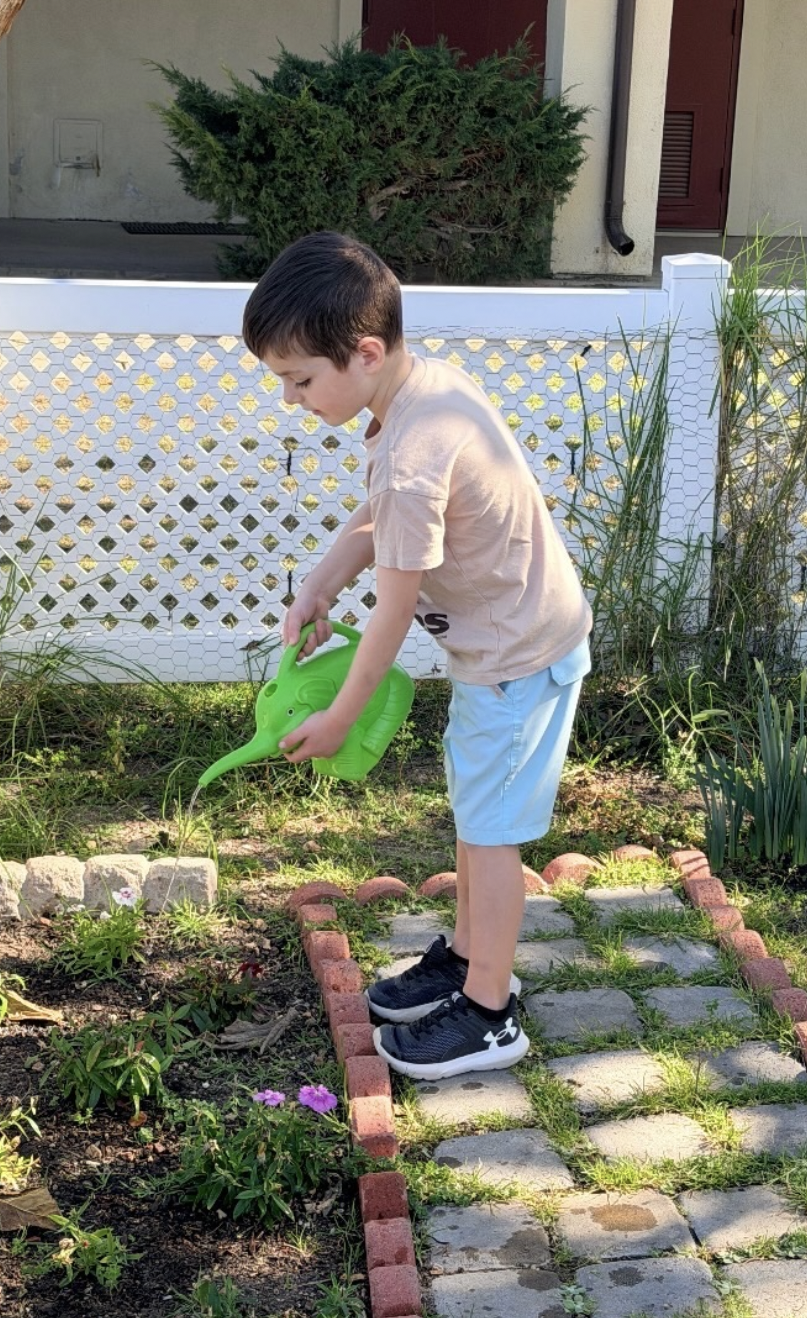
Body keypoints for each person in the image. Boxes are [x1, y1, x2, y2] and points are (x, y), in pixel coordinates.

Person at [242, 231, 592, 1081]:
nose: (292, 400)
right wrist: (321, 579)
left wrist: (339, 717)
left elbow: (392, 615)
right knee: (479, 818)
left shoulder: (411, 449)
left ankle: (489, 1011)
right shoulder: (419, 395)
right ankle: (468, 954)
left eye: (299, 379)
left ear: (363, 352)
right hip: (509, 646)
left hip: (516, 658)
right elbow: (381, 524)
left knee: (493, 833)